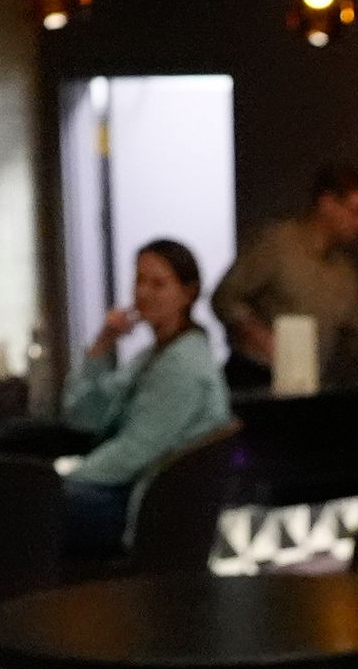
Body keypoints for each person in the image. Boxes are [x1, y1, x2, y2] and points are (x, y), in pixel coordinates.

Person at [57, 238, 232, 557]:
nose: (143, 293)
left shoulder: (184, 363)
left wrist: (61, 482)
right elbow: (83, 416)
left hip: (146, 509)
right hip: (130, 495)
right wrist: (103, 344)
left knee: (28, 512)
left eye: (158, 284)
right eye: (139, 280)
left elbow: (135, 451)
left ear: (188, 293)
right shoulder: (151, 357)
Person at [214, 162, 358, 389]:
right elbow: (225, 296)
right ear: (327, 204)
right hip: (255, 379)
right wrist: (256, 334)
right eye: (355, 212)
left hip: (305, 384)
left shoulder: (344, 274)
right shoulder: (278, 244)